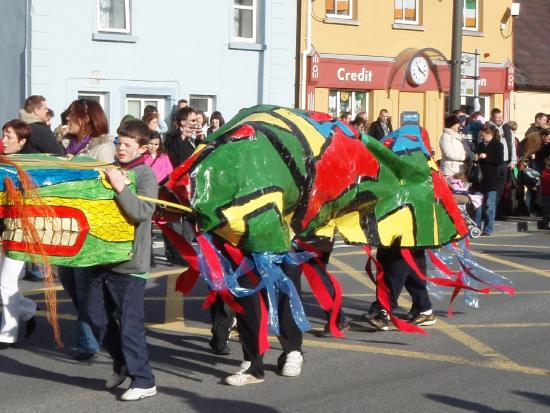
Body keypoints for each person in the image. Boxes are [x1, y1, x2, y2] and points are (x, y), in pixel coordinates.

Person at [86, 119, 157, 401]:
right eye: (119, 142)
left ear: (141, 148)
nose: (121, 148)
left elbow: (142, 212)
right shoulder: (113, 169)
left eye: (127, 144)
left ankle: (144, 380)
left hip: (130, 264)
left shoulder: (146, 175)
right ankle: (122, 363)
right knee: (95, 317)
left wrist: (120, 188)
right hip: (102, 259)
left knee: (130, 325)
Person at [0, 120, 37, 349]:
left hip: (21, 231)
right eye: (3, 135)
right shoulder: (2, 161)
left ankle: (7, 333)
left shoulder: (30, 165)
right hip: (3, 229)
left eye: (9, 136)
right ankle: (27, 309)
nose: (3, 140)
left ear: (22, 142)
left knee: (7, 282)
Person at [363, 242, 435, 331]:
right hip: (401, 235)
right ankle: (423, 308)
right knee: (408, 262)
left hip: (403, 234)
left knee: (397, 265)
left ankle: (383, 308)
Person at [472, 124, 504, 236]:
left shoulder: (498, 145)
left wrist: (486, 157)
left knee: (489, 205)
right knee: (477, 203)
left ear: (489, 134)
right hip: (480, 178)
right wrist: (476, 158)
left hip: (491, 178)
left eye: (483, 135)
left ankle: (488, 229)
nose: (481, 137)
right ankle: (475, 227)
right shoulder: (480, 144)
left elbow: (499, 160)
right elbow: (478, 158)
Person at [488, 108, 516, 218]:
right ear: (492, 117)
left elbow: (512, 144)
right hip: (493, 163)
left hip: (505, 162)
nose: (499, 119)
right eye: (497, 117)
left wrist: (513, 160)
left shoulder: (507, 128)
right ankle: (491, 213)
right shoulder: (488, 127)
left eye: (501, 117)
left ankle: (500, 212)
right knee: (494, 189)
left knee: (503, 189)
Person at [540, 157, 550, 229]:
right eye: (549, 165)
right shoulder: (544, 172)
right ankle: (545, 225)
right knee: (547, 211)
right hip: (547, 195)